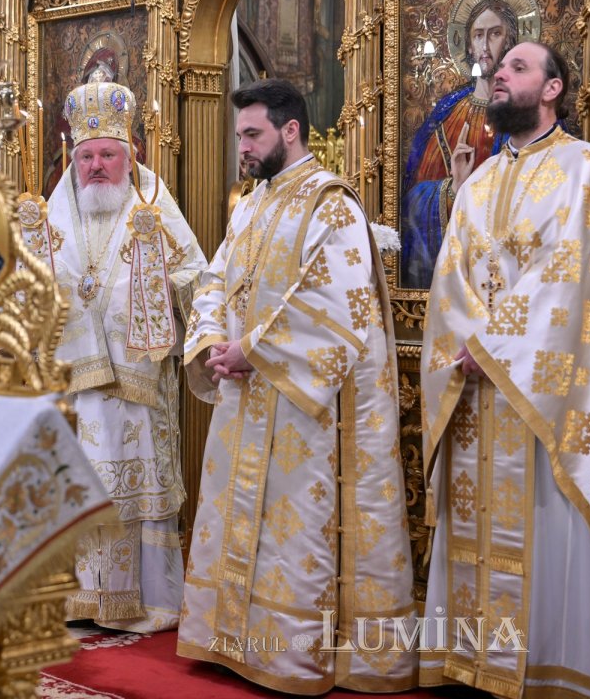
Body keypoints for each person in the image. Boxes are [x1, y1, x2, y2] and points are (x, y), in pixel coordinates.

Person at [178, 79, 415, 692]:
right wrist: (211, 343)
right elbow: (215, 278)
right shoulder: (251, 204)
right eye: (239, 137)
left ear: (290, 130)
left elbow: (335, 304)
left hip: (300, 405)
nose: (243, 148)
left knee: (294, 531)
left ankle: (288, 655)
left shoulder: (330, 203)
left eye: (253, 135)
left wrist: (252, 350)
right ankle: (232, 638)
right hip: (244, 394)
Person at [420, 41, 590, 699]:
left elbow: (571, 272)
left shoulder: (585, 169)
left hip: (542, 392)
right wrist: (468, 344)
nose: (499, 74)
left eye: (518, 67)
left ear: (552, 88)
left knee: (546, 522)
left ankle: (546, 669)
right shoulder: (480, 180)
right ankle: (470, 664)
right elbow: (450, 275)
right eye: (499, 68)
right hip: (473, 389)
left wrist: (494, 344)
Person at [46, 79, 207, 632]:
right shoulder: (55, 210)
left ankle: (145, 602)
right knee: (79, 481)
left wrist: (156, 284)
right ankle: (76, 598)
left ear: (129, 153)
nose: (95, 166)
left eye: (107, 155)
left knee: (133, 482)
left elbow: (196, 274)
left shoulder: (153, 203)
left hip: (136, 382)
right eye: (86, 156)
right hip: (74, 383)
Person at [401, 0, 519, 288]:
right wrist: (453, 188)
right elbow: (412, 200)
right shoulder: (448, 113)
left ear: (509, 41)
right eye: (478, 35)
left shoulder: (524, 113)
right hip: (454, 263)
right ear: (468, 44)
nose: (484, 45)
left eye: (495, 33)